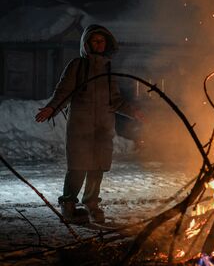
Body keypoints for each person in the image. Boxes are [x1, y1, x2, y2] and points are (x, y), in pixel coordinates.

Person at [35, 24, 143, 224]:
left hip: (103, 128)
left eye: (102, 41)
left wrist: (133, 111)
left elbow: (116, 100)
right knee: (78, 167)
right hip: (80, 127)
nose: (99, 44)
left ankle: (91, 203)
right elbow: (64, 91)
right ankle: (68, 204)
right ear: (87, 44)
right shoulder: (78, 65)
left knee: (98, 168)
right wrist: (51, 108)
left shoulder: (108, 68)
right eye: (95, 41)